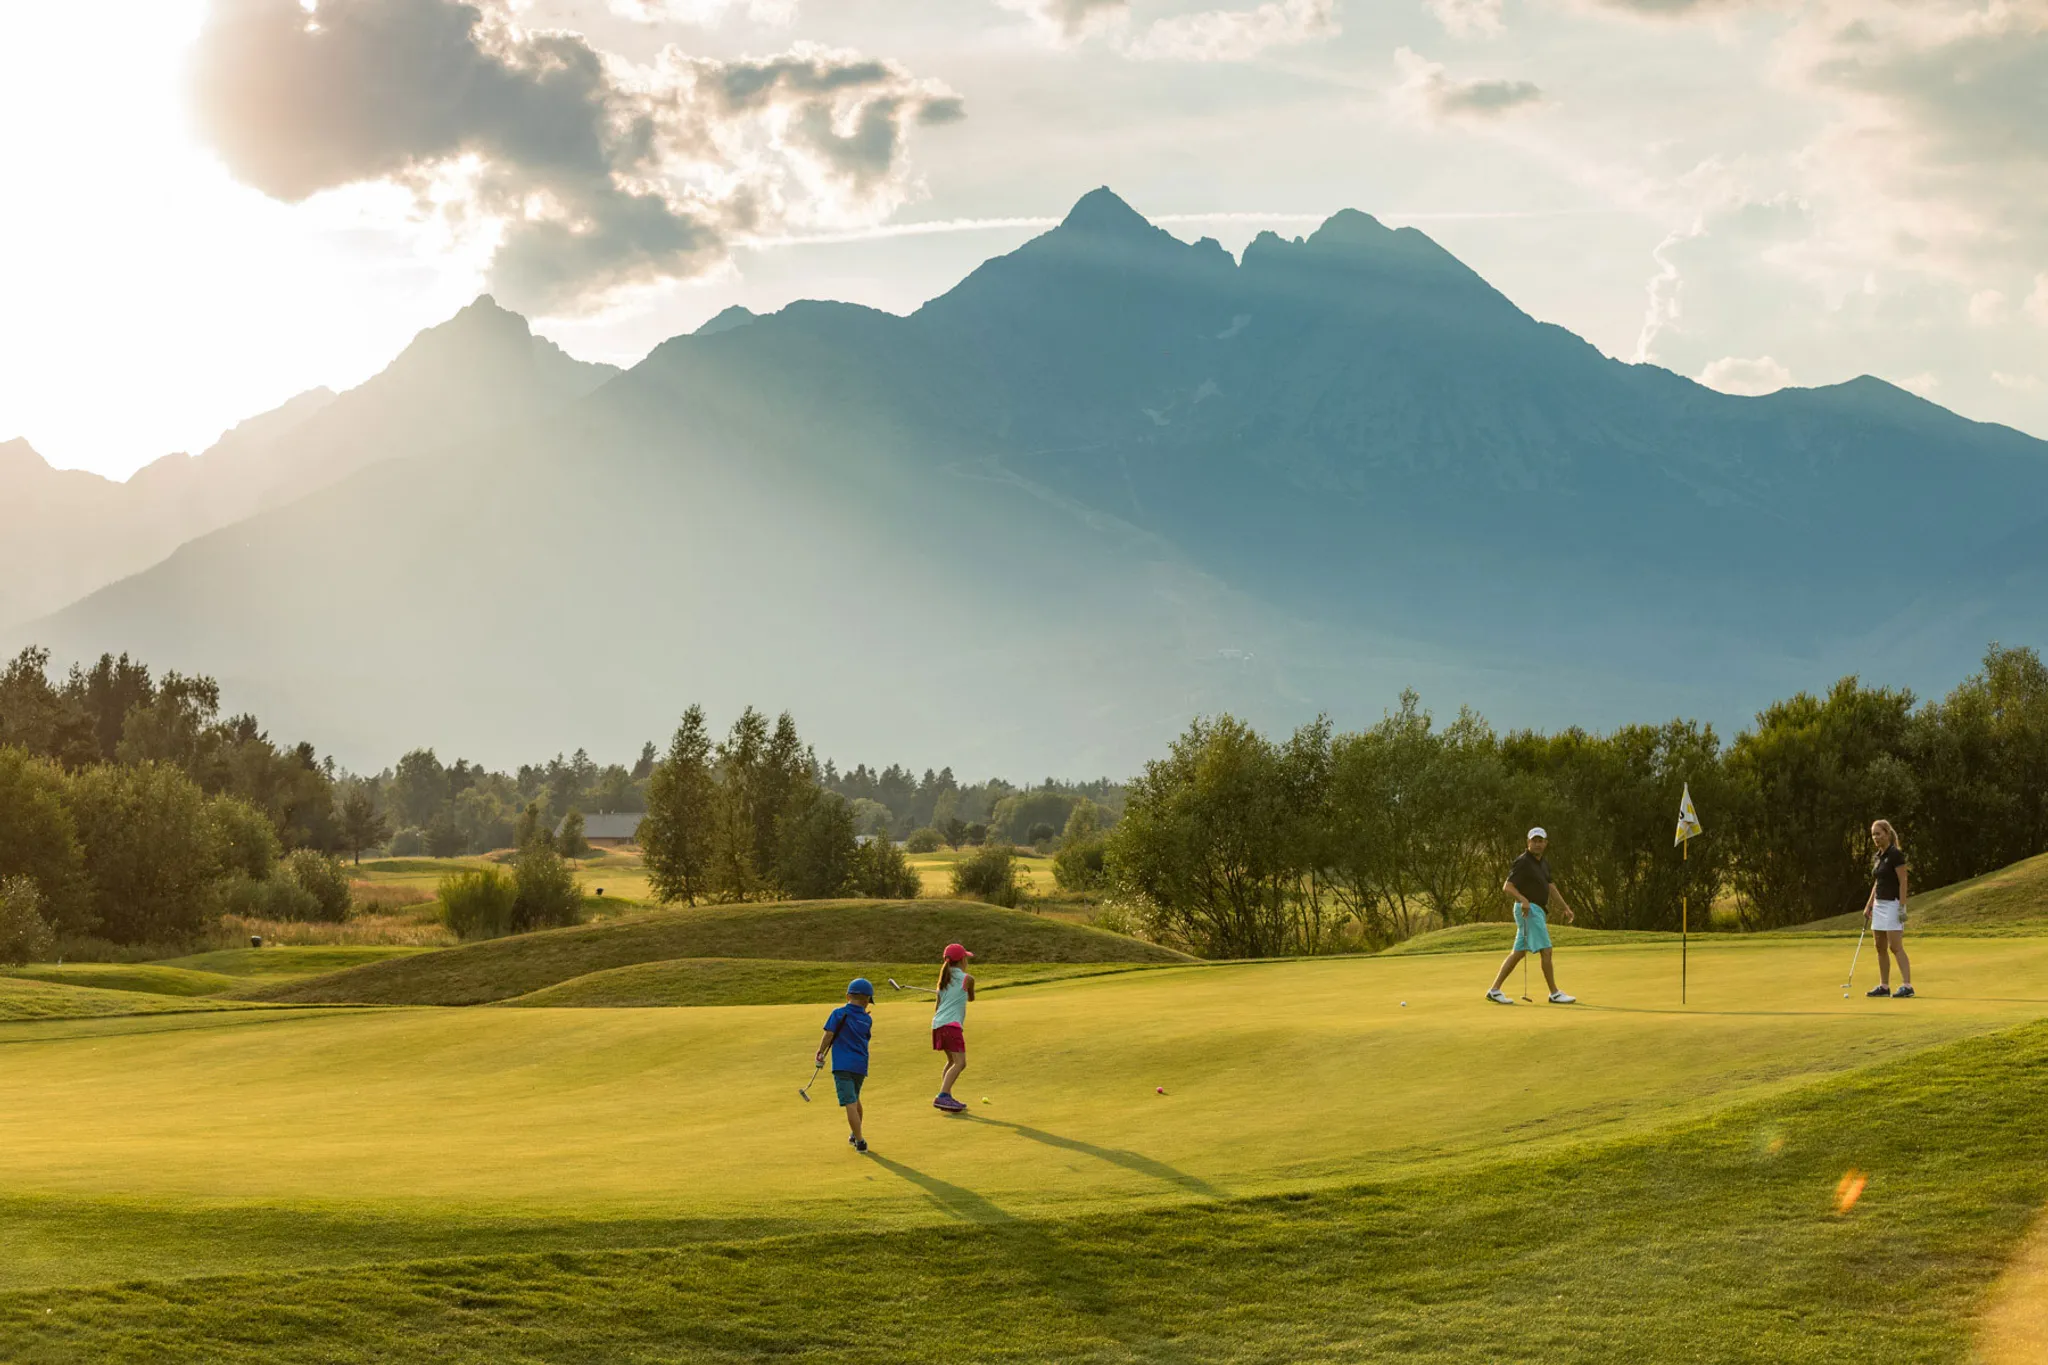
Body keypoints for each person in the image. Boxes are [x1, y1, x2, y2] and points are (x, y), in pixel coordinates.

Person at [1486, 827, 1579, 1005]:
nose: (1537, 844)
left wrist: (1565, 907)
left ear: (1545, 843)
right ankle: (1554, 993)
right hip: (1529, 910)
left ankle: (1494, 990)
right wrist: (1523, 899)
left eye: (1540, 841)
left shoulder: (1543, 863)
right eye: (1534, 841)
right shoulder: (1523, 862)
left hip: (1536, 910)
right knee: (1546, 950)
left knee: (1518, 952)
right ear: (1528, 842)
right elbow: (1507, 886)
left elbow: (1551, 887)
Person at [816, 978, 875, 1152]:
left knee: (850, 1103)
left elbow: (829, 1035)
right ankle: (854, 1134)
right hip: (860, 1065)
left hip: (842, 1065)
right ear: (867, 1000)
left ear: (848, 995)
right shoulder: (867, 1019)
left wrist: (820, 1052)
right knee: (855, 1099)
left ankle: (860, 1140)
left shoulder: (838, 1013)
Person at [1863, 819, 1914, 998]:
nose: (1875, 837)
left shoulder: (1895, 855)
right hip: (1878, 905)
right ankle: (1884, 986)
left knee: (1895, 946)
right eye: (1873, 835)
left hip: (1892, 904)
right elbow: (1878, 882)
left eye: (1878, 833)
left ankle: (1907, 985)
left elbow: (1903, 881)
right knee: (1880, 947)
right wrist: (1869, 904)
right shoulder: (1879, 856)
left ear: (1887, 833)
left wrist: (1902, 907)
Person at [930, 943, 976, 1113]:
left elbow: (937, 1007)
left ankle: (946, 1095)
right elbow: (971, 998)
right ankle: (942, 1096)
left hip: (938, 1025)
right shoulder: (968, 979)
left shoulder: (942, 982)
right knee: (960, 1063)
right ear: (962, 960)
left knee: (951, 1061)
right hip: (952, 1026)